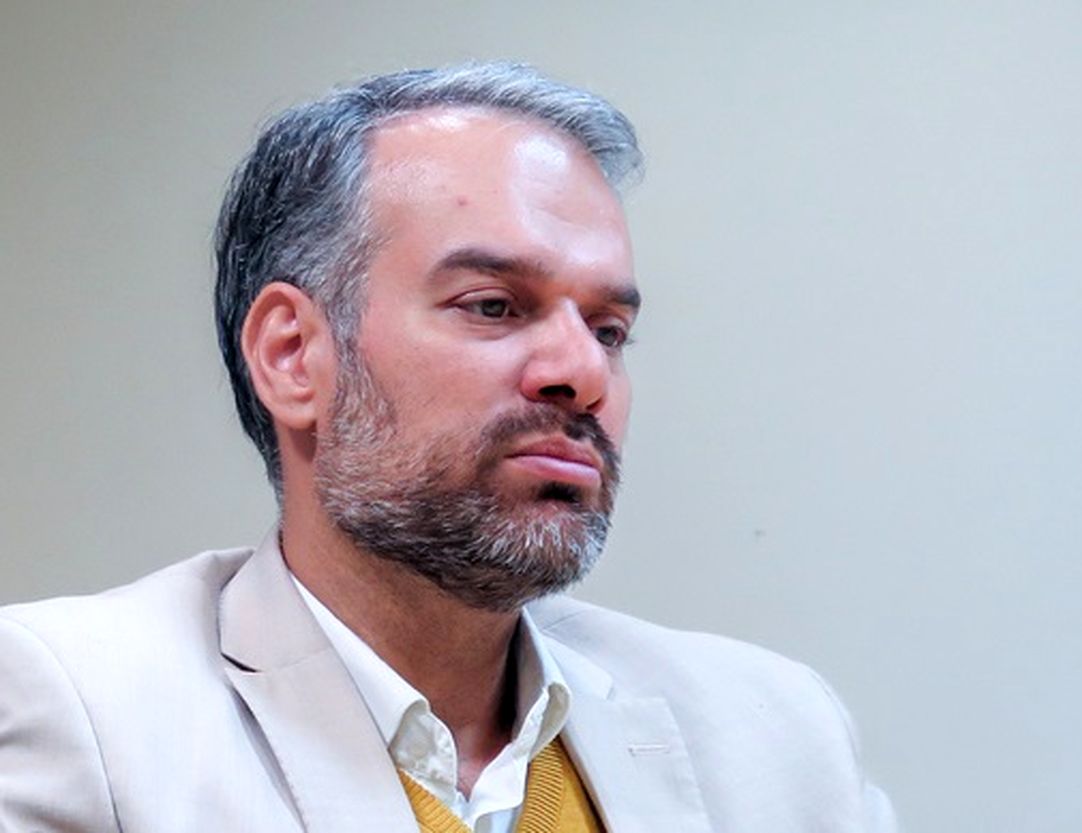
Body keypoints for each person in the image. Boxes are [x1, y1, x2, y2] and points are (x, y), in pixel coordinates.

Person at [0, 63, 897, 832]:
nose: (582, 372)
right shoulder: (81, 712)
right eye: (493, 305)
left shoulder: (778, 737)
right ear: (294, 355)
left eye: (609, 330)